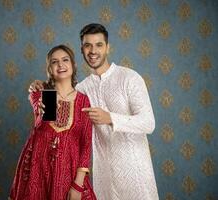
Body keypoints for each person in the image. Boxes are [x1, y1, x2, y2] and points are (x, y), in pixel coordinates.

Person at [29, 23, 159, 200]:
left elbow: (148, 123)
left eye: (99, 45)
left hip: (134, 172)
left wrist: (110, 118)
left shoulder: (129, 78)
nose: (93, 51)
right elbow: (59, 102)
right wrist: (41, 88)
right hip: (103, 177)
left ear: (108, 47)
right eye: (87, 45)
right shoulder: (82, 89)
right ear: (81, 50)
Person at [9, 44, 97, 200]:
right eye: (54, 62)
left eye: (65, 60)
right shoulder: (42, 93)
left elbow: (86, 143)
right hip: (38, 169)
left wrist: (77, 185)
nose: (60, 65)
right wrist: (42, 109)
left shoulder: (83, 100)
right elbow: (40, 123)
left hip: (68, 172)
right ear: (49, 69)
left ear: (73, 65)